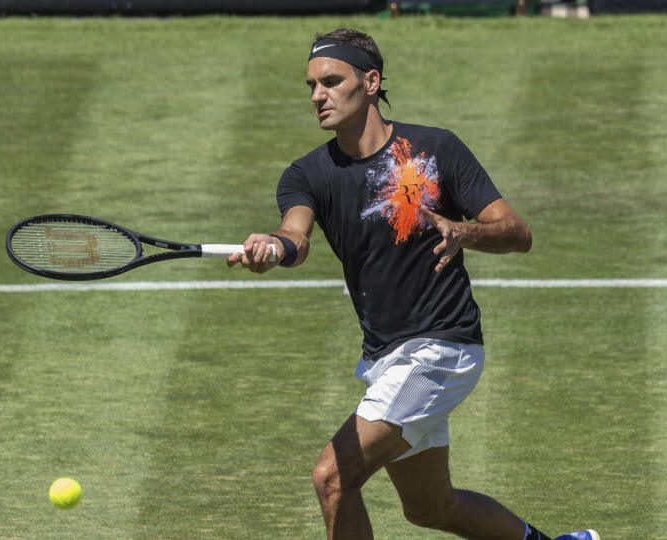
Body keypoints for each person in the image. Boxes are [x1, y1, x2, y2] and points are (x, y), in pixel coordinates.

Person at [228, 28, 599, 540]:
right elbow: (296, 235)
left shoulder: (435, 149)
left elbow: (518, 233)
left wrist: (465, 231)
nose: (318, 96)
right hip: (386, 358)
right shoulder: (307, 174)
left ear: (371, 81)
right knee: (430, 507)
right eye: (311, 85)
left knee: (333, 478)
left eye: (332, 81)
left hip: (442, 348)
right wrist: (272, 249)